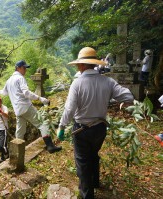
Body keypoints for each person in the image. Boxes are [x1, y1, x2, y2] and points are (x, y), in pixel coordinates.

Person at [57, 47, 134, 199]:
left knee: (83, 162)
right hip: (100, 128)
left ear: (82, 65)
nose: (78, 66)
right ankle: (95, 182)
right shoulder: (108, 81)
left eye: (79, 64)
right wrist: (114, 101)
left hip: (81, 130)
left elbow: (69, 109)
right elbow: (128, 96)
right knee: (93, 154)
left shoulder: (77, 84)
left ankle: (87, 194)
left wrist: (61, 127)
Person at [0, 60, 61, 153]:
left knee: (20, 132)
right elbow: (26, 92)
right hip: (26, 107)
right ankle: (50, 146)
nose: (25, 70)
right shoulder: (20, 78)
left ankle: (17, 152)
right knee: (42, 123)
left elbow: (3, 92)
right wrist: (40, 98)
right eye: (24, 68)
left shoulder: (9, 81)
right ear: (18, 68)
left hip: (18, 110)